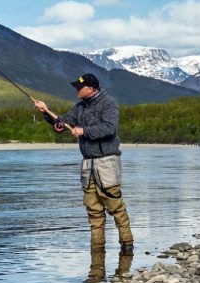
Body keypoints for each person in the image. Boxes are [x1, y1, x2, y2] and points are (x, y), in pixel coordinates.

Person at [34, 73, 134, 252]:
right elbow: (62, 123)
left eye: (79, 88)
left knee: (116, 207)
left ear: (91, 88)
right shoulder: (80, 107)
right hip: (88, 165)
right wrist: (46, 113)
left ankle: (127, 246)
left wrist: (83, 131)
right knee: (93, 211)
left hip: (107, 162)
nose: (76, 91)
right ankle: (97, 251)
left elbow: (110, 128)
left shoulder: (108, 103)